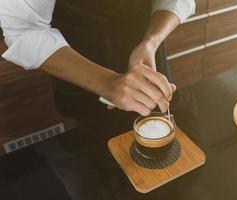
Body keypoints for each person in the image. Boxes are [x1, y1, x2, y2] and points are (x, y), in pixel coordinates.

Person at [0, 0, 195, 199]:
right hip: (81, 72)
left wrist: (151, 41)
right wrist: (107, 83)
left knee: (175, 181)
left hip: (147, 58)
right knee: (100, 166)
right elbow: (25, 30)